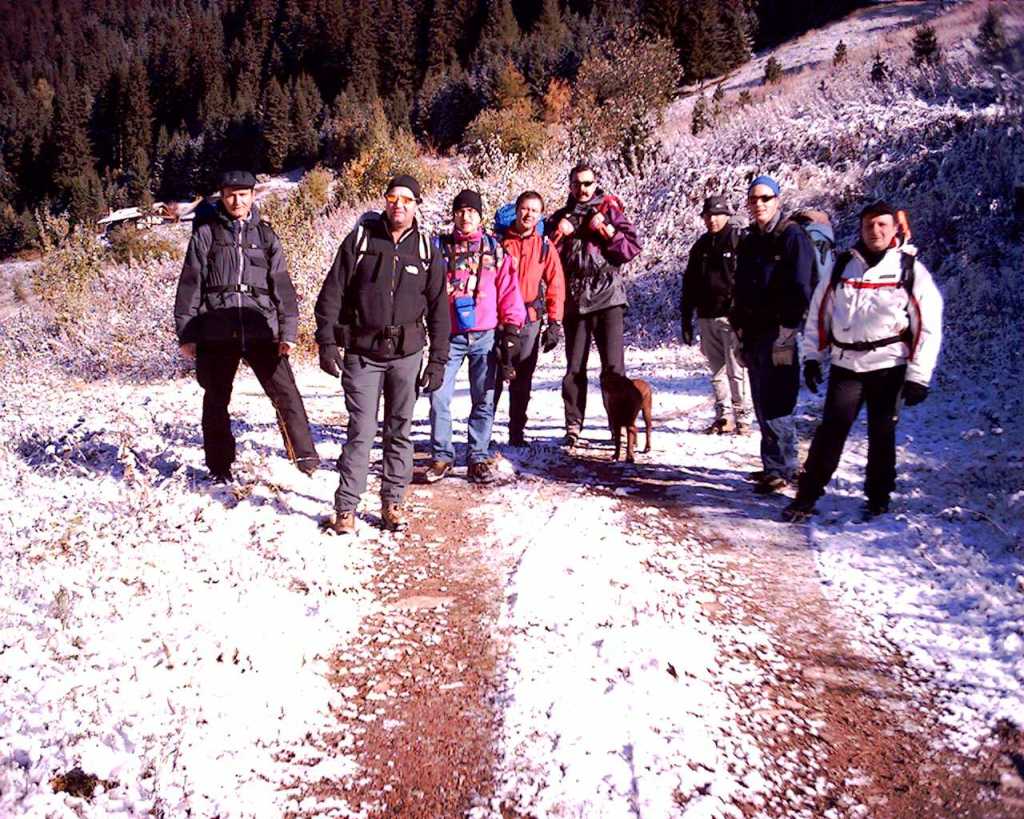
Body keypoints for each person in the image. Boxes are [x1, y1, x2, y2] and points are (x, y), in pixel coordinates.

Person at [783, 201, 943, 521]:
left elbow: (928, 324)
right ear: (861, 228)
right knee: (830, 433)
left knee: (882, 435)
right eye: (869, 224)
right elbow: (820, 312)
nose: (875, 231)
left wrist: (918, 376)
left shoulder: (910, 270)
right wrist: (812, 356)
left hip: (889, 367)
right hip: (847, 366)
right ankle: (807, 496)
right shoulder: (843, 266)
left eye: (882, 224)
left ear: (894, 229)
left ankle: (878, 500)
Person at [314, 175, 449, 534]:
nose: (398, 204)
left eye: (407, 199)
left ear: (416, 205)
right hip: (363, 353)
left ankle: (393, 503)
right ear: (385, 201)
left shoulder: (427, 249)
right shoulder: (360, 240)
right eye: (393, 197)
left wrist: (438, 360)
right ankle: (346, 508)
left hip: (407, 354)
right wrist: (327, 342)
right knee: (361, 431)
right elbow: (331, 294)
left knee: (399, 430)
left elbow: (439, 310)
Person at [174, 169, 319, 483]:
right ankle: (219, 467)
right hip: (217, 329)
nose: (237, 201)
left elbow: (282, 285)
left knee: (286, 394)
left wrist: (288, 332)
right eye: (230, 195)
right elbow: (189, 285)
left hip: (261, 329)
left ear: (253, 196)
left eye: (243, 195)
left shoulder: (266, 236)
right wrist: (187, 333)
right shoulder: (206, 234)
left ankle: (305, 458)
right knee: (216, 400)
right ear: (222, 197)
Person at [423, 189, 526, 484]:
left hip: (485, 336)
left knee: (484, 398)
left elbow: (509, 292)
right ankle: (442, 456)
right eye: (460, 211)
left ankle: (478, 456)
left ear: (480, 216)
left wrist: (512, 329)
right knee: (438, 396)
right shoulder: (439, 249)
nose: (465, 216)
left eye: (471, 211)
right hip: (448, 337)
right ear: (453, 215)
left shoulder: (495, 250)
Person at [546, 162, 642, 446]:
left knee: (614, 368)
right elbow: (546, 258)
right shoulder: (560, 217)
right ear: (570, 186)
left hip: (609, 297)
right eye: (577, 184)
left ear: (595, 183)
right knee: (574, 368)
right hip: (575, 300)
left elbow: (631, 249)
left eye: (587, 183)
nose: (582, 189)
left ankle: (619, 426)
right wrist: (557, 235)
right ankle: (573, 426)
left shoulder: (610, 210)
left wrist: (607, 230)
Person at [730, 175, 814, 494]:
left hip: (781, 332)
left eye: (765, 198)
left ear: (777, 200)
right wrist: (738, 328)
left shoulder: (793, 237)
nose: (759, 204)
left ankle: (784, 468)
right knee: (762, 401)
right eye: (753, 199)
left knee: (779, 400)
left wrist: (789, 329)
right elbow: (740, 287)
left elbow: (803, 285)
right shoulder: (750, 240)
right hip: (753, 333)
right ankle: (772, 465)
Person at [494, 190, 565, 446]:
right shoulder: (499, 243)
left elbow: (556, 284)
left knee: (522, 379)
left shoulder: (545, 246)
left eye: (534, 210)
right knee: (493, 377)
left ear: (540, 215)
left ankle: (516, 433)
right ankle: (482, 433)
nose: (528, 214)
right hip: (498, 321)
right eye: (524, 208)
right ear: (516, 210)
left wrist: (554, 322)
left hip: (529, 320)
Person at [681, 194, 751, 435]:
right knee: (717, 371)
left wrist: (743, 312)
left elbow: (748, 280)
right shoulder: (700, 246)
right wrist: (686, 318)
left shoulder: (738, 241)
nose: (712, 220)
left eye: (717, 215)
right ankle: (724, 416)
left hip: (732, 318)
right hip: (706, 316)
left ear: (727, 216)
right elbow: (689, 284)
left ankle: (743, 418)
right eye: (708, 216)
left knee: (737, 370)